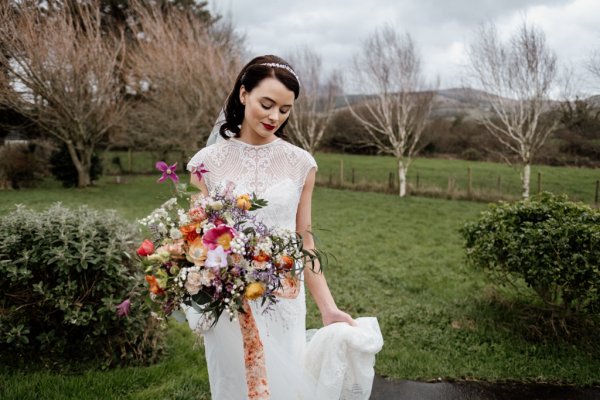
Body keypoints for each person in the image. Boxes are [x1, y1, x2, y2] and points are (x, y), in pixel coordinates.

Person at [186, 55, 382, 400]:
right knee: (233, 386)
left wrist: (328, 307)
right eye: (267, 104)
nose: (275, 117)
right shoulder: (205, 164)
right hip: (230, 302)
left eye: (285, 109)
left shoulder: (300, 164)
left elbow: (303, 238)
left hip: (284, 299)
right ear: (243, 94)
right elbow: (195, 237)